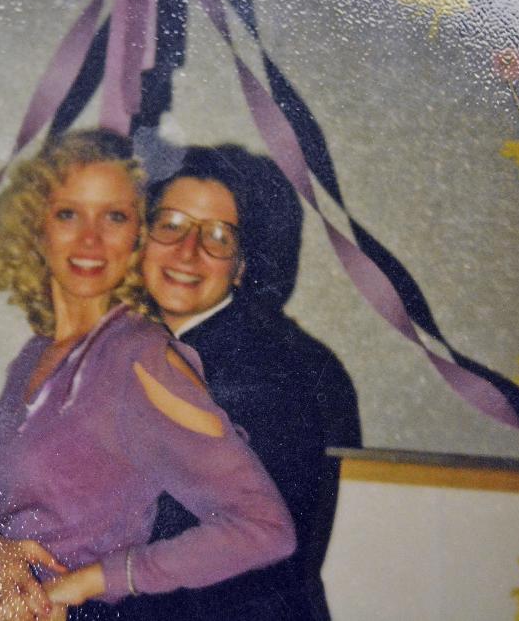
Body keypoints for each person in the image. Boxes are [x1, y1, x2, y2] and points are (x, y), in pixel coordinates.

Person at [0, 130, 295, 621]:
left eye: (115, 217)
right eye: (68, 214)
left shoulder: (142, 358)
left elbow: (263, 527)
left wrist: (86, 584)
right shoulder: (34, 357)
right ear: (36, 230)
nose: (90, 239)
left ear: (137, 239)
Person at [121, 144, 362, 621]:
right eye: (170, 225)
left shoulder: (281, 369)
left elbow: (191, 541)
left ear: (242, 265)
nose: (187, 251)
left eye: (217, 236)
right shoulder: (128, 343)